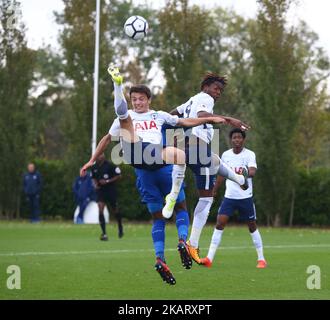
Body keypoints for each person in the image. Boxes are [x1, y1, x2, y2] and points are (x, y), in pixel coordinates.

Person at [80, 64, 224, 284]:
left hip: (156, 166)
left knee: (171, 211)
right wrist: (92, 159)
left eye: (140, 99)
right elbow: (107, 139)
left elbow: (184, 121)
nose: (137, 102)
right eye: (134, 99)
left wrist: (208, 119)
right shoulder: (127, 115)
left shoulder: (159, 115)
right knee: (124, 119)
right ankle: (117, 85)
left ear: (148, 99)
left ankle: (172, 250)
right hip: (140, 154)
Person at [170, 73, 250, 264]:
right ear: (205, 86)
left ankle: (239, 179)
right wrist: (228, 119)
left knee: (214, 160)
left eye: (220, 91)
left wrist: (166, 126)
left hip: (185, 147)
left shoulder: (191, 100)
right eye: (216, 88)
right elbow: (202, 116)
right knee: (206, 199)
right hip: (199, 149)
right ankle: (193, 244)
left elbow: (172, 113)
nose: (218, 93)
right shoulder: (205, 98)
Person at [200, 128, 267, 268]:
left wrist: (246, 173)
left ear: (243, 139)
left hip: (245, 197)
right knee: (219, 224)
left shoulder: (249, 154)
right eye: (234, 137)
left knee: (252, 226)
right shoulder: (225, 155)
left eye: (239, 137)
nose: (237, 140)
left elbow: (253, 171)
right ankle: (209, 259)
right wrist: (214, 189)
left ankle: (261, 259)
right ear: (231, 140)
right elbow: (221, 174)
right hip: (229, 197)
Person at [91, 153, 123, 240]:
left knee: (115, 210)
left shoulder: (110, 165)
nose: (99, 156)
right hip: (101, 191)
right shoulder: (94, 167)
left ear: (104, 156)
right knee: (100, 209)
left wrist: (108, 181)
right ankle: (104, 233)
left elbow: (119, 175)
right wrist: (95, 184)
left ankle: (120, 227)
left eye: (101, 154)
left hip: (111, 190)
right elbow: (93, 177)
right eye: (98, 155)